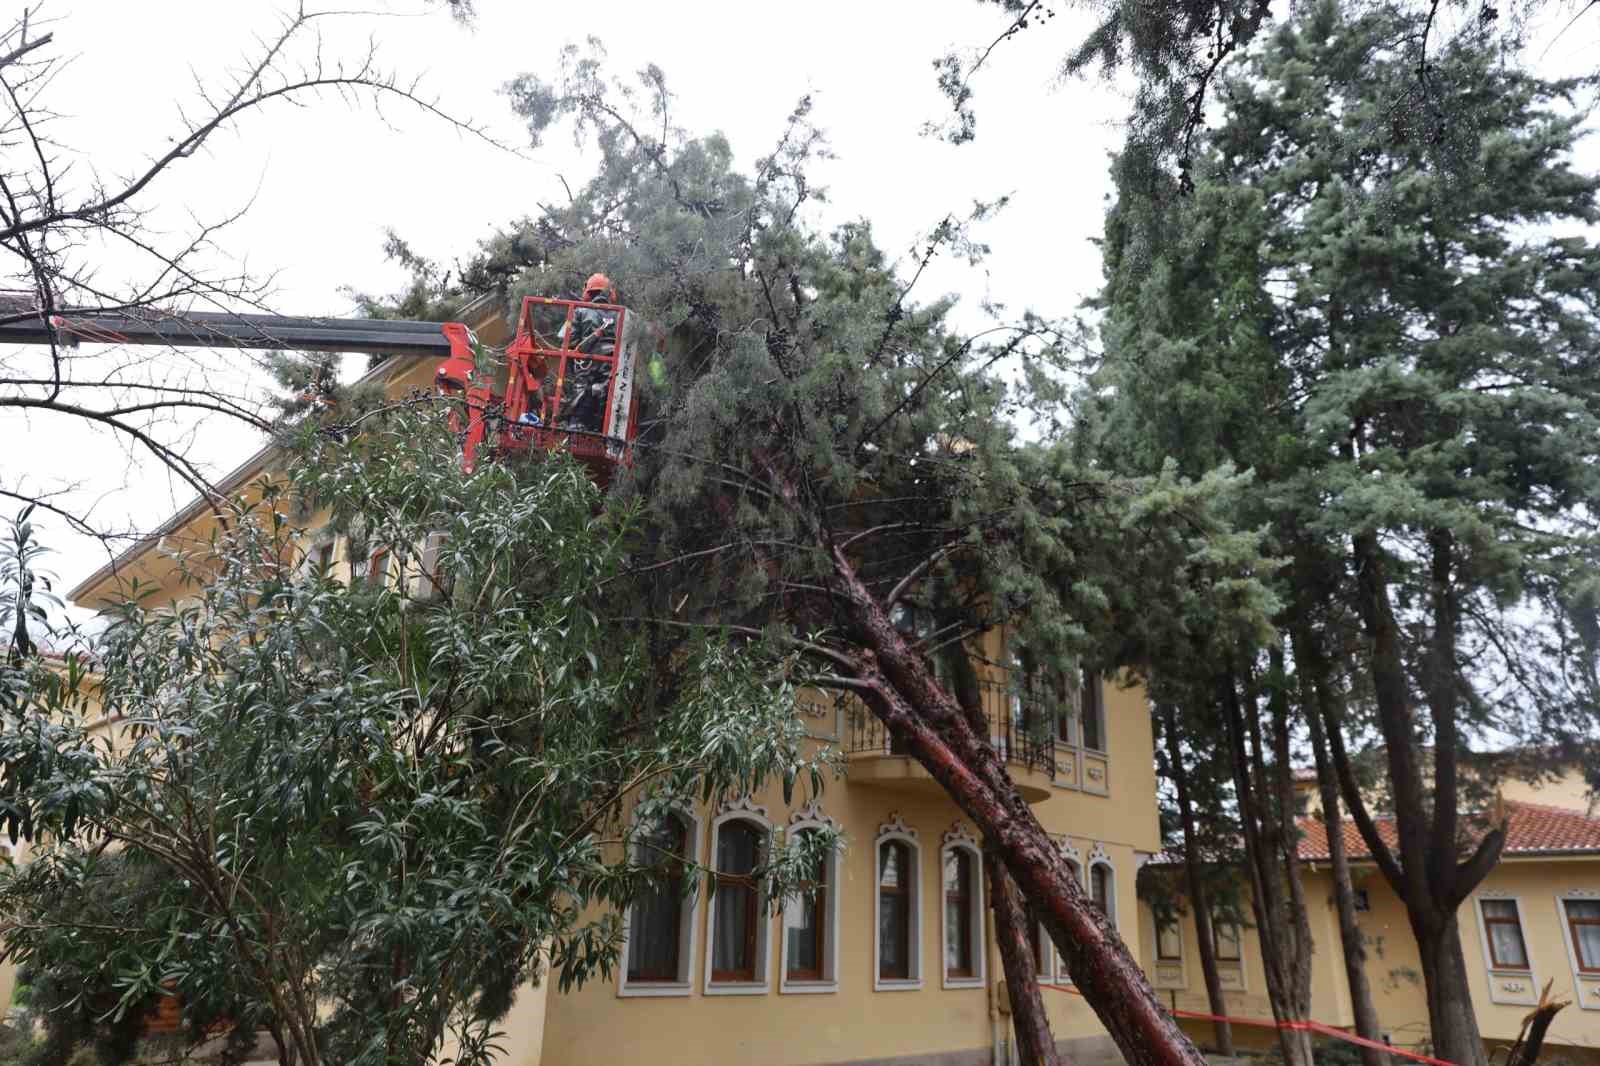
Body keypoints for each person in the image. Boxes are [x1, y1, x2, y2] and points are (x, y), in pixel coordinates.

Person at [558, 273, 619, 433]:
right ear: (610, 293)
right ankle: (603, 429)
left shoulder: (579, 310)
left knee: (581, 391)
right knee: (608, 394)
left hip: (586, 363)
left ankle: (576, 427)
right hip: (613, 366)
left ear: (588, 292)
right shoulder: (620, 314)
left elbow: (567, 342)